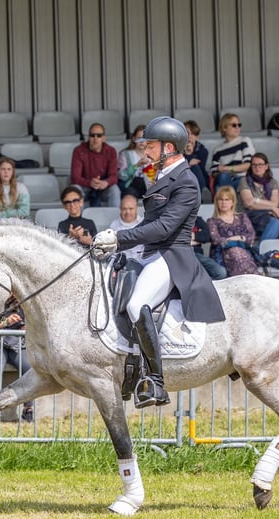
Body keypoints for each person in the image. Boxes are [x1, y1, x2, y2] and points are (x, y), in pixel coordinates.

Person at [92, 116, 225, 408]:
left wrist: (119, 238)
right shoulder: (162, 176)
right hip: (150, 253)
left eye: (150, 145)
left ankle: (155, 381)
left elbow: (164, 228)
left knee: (137, 304)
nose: (145, 150)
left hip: (171, 256)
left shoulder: (186, 182)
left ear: (168, 147)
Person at [0, 295, 33, 423]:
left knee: (29, 366)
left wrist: (28, 328)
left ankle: (28, 409)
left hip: (19, 344)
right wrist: (5, 323)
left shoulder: (25, 298)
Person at [238, 152, 279, 241]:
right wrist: (271, 208)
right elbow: (248, 203)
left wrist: (256, 200)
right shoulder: (244, 181)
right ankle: (264, 251)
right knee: (274, 222)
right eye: (254, 165)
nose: (257, 168)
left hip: (270, 214)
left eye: (260, 165)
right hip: (250, 216)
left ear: (266, 166)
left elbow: (275, 203)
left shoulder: (272, 182)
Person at [207, 186, 260, 277]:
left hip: (244, 252)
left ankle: (249, 276)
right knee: (235, 251)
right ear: (217, 202)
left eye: (227, 199)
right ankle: (252, 275)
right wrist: (239, 238)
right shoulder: (212, 221)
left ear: (232, 202)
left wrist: (231, 239)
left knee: (238, 252)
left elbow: (251, 236)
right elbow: (216, 240)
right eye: (221, 199)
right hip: (222, 254)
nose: (224, 202)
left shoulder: (242, 217)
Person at [70, 123, 121, 207]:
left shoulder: (111, 151)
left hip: (103, 186)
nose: (95, 138)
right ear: (88, 137)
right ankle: (77, 219)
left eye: (99, 135)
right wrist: (90, 183)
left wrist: (106, 182)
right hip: (85, 186)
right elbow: (75, 177)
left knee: (115, 189)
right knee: (75, 189)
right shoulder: (79, 150)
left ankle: (115, 218)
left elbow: (114, 176)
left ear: (104, 138)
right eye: (92, 135)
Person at [210, 113, 255, 190]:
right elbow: (214, 170)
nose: (237, 127)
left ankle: (229, 197)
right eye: (234, 125)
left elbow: (248, 165)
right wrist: (219, 170)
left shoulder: (244, 141)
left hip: (242, 179)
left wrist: (227, 168)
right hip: (226, 180)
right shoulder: (217, 150)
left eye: (239, 125)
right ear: (224, 128)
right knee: (222, 177)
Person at [117, 124, 155, 198]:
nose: (141, 141)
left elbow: (158, 177)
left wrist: (150, 167)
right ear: (134, 139)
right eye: (139, 138)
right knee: (138, 182)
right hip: (132, 186)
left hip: (149, 186)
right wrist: (137, 165)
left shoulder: (154, 155)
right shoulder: (125, 154)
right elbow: (121, 176)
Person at [191, 216, 227, 280]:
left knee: (221, 272)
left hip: (196, 254)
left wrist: (190, 236)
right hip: (177, 254)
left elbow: (207, 236)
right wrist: (197, 238)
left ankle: (206, 286)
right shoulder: (173, 219)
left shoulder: (197, 220)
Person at [109, 194, 144, 260]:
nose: (128, 212)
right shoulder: (114, 225)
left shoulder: (144, 223)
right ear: (120, 209)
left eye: (131, 209)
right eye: (124, 209)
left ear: (136, 208)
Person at [183, 120, 210, 195]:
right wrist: (189, 161)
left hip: (199, 178)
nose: (190, 136)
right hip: (181, 178)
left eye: (193, 134)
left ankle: (202, 192)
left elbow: (200, 168)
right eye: (187, 133)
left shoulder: (203, 151)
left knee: (195, 167)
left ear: (197, 137)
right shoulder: (176, 150)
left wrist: (189, 154)